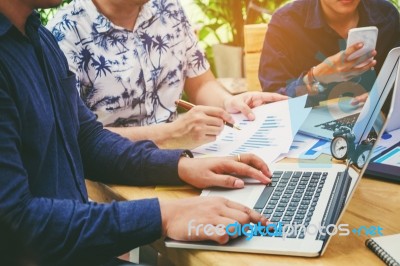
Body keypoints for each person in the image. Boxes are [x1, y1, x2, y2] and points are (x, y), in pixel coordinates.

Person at [0, 1, 272, 265]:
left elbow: (87, 139)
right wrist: (164, 215)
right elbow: (16, 223)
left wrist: (180, 166)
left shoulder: (38, 37)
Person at [46, 0, 288, 149]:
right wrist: (169, 135)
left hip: (184, 157)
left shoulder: (168, 8)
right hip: (112, 177)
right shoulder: (65, 33)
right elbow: (74, 138)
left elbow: (201, 83)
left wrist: (229, 102)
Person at [259, 0, 400, 107]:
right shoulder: (286, 24)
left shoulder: (387, 15)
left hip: (379, 129)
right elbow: (273, 101)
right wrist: (316, 77)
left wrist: (384, 97)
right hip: (307, 136)